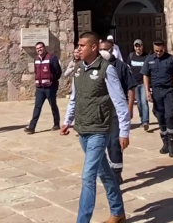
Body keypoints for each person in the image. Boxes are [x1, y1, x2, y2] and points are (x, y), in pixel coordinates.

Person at [61, 32, 130, 223]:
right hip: (83, 129)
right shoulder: (78, 69)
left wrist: (124, 131)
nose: (78, 48)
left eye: (82, 45)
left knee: (88, 177)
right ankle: (118, 212)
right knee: (104, 172)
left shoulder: (106, 69)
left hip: (100, 130)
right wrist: (68, 120)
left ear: (93, 48)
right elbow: (75, 97)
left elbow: (120, 102)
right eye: (78, 45)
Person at [100, 38, 136, 185]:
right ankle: (105, 170)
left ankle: (116, 173)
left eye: (105, 49)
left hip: (116, 111)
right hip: (101, 111)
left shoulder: (121, 66)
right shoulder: (96, 66)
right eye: (100, 49)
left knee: (115, 143)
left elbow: (131, 87)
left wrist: (129, 108)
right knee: (101, 142)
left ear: (112, 50)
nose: (102, 52)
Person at [141, 40, 173, 157]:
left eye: (160, 51)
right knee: (160, 117)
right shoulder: (149, 59)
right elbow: (145, 75)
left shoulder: (171, 59)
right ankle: (165, 142)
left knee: (169, 115)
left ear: (164, 48)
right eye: (156, 51)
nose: (158, 53)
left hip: (168, 90)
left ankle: (171, 145)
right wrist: (147, 91)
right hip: (156, 91)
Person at [25, 41, 63, 133]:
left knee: (53, 105)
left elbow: (58, 72)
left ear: (44, 48)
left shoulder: (52, 58)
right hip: (40, 88)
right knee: (37, 107)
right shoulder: (36, 59)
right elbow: (36, 71)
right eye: (37, 48)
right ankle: (32, 127)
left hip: (50, 87)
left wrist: (52, 80)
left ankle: (56, 124)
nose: (39, 50)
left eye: (41, 47)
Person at [127, 39, 149, 131]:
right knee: (139, 103)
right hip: (134, 83)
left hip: (143, 83)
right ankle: (142, 119)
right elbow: (127, 68)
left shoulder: (147, 57)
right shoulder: (131, 56)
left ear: (142, 46)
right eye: (136, 46)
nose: (138, 48)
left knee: (144, 102)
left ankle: (145, 121)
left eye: (139, 46)